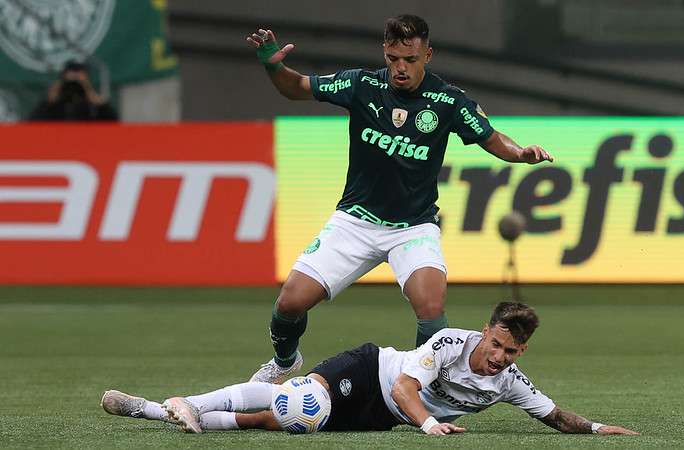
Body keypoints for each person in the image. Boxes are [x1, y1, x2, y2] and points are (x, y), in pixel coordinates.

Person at [243, 14, 555, 385]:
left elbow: (489, 136)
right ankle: (284, 361)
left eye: (410, 59)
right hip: (355, 220)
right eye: (393, 59)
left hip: (413, 227)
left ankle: (424, 383)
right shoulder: (361, 84)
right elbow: (295, 87)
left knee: (431, 305)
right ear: (385, 52)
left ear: (428, 55)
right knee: (289, 304)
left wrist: (521, 153)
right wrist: (272, 64)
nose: (400, 68)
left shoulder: (447, 100)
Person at [101, 302, 637, 436]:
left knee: (277, 421)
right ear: (487, 331)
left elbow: (553, 415)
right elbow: (406, 386)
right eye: (498, 345)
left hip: (380, 416)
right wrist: (429, 424)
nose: (499, 357)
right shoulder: (451, 342)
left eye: (512, 353)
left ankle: (149, 410)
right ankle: (193, 401)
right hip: (372, 370)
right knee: (300, 400)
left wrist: (594, 428)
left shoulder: (511, 383)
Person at [28, 60, 118, 122]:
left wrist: (90, 92)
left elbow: (113, 123)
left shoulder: (92, 107)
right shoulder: (54, 105)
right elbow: (32, 124)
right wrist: (50, 101)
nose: (74, 87)